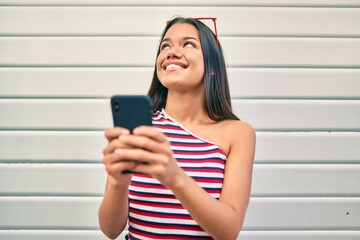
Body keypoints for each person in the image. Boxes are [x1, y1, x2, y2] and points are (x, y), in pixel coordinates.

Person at [98, 17, 256, 240]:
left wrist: (173, 176)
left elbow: (228, 231)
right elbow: (110, 230)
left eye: (188, 44)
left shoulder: (237, 133)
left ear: (213, 67)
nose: (171, 52)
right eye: (165, 46)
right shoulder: (141, 129)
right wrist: (118, 181)